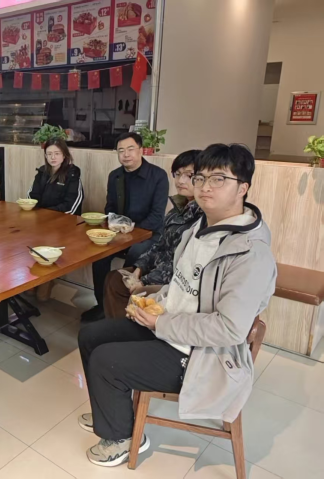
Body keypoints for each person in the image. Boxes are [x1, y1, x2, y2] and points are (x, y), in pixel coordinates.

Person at [77, 143, 276, 468]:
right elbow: (183, 286)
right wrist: (153, 303)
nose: (205, 186)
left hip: (201, 355)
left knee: (105, 360)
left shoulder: (250, 254)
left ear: (243, 187)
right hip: (171, 330)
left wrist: (160, 323)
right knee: (91, 334)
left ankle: (122, 438)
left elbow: (229, 329)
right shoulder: (200, 228)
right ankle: (110, 412)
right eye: (201, 178)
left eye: (218, 179)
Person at [103, 149, 203, 318]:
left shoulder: (201, 217)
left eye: (189, 175)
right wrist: (139, 269)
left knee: (127, 279)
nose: (181, 180)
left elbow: (179, 263)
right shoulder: (177, 210)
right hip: (157, 270)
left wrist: (145, 281)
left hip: (174, 283)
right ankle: (117, 324)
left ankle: (126, 327)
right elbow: (160, 246)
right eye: (178, 174)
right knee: (114, 278)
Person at [81, 132, 169, 322]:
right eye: (121, 150)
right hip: (121, 232)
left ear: (140, 150)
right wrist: (115, 224)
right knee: (99, 254)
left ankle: (124, 310)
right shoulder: (115, 176)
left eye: (130, 149)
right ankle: (102, 305)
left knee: (136, 253)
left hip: (149, 233)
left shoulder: (158, 176)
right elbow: (110, 208)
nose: (126, 154)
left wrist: (133, 229)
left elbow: (157, 216)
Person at [27, 138, 84, 215]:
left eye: (57, 153)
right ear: (46, 156)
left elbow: (71, 206)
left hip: (64, 218)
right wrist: (39, 214)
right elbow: (32, 198)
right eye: (49, 154)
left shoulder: (72, 175)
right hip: (42, 217)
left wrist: (47, 213)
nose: (53, 157)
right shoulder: (41, 172)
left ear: (64, 155)